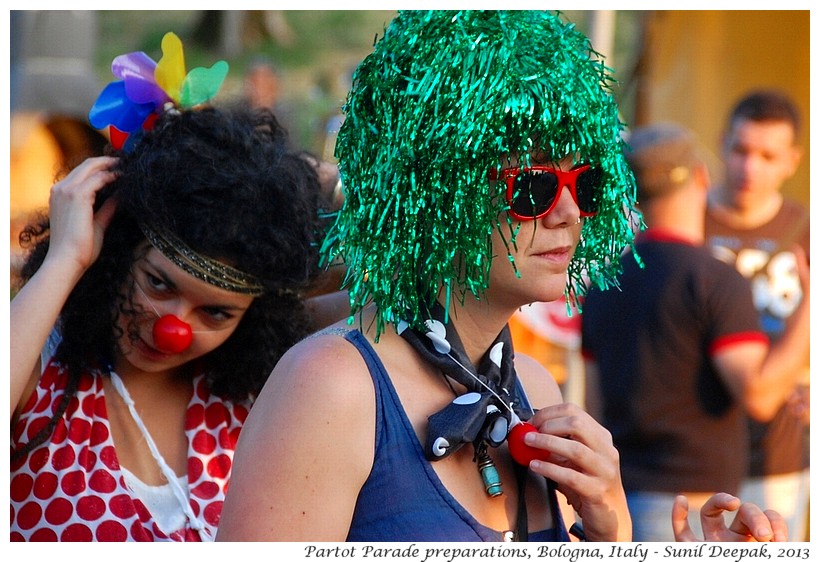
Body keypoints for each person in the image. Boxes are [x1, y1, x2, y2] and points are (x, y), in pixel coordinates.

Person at [217, 11, 785, 543]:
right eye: (533, 187)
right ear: (436, 195)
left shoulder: (534, 389)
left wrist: (611, 528)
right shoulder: (331, 388)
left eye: (585, 185)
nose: (569, 213)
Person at [10, 33, 328, 541]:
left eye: (217, 314)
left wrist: (297, 180)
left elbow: (405, 283)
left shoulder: (254, 395)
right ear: (114, 247)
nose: (173, 329)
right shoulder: (36, 364)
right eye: (158, 283)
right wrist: (64, 261)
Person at [580, 123, 810, 541]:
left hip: (619, 503)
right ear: (702, 176)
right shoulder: (715, 280)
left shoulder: (604, 284)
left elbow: (593, 410)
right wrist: (810, 309)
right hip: (695, 515)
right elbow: (760, 396)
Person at [705, 90, 810, 540]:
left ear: (793, 160)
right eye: (741, 150)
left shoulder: (807, 232)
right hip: (695, 457)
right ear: (722, 142)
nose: (750, 168)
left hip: (778, 461)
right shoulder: (686, 224)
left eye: (767, 156)